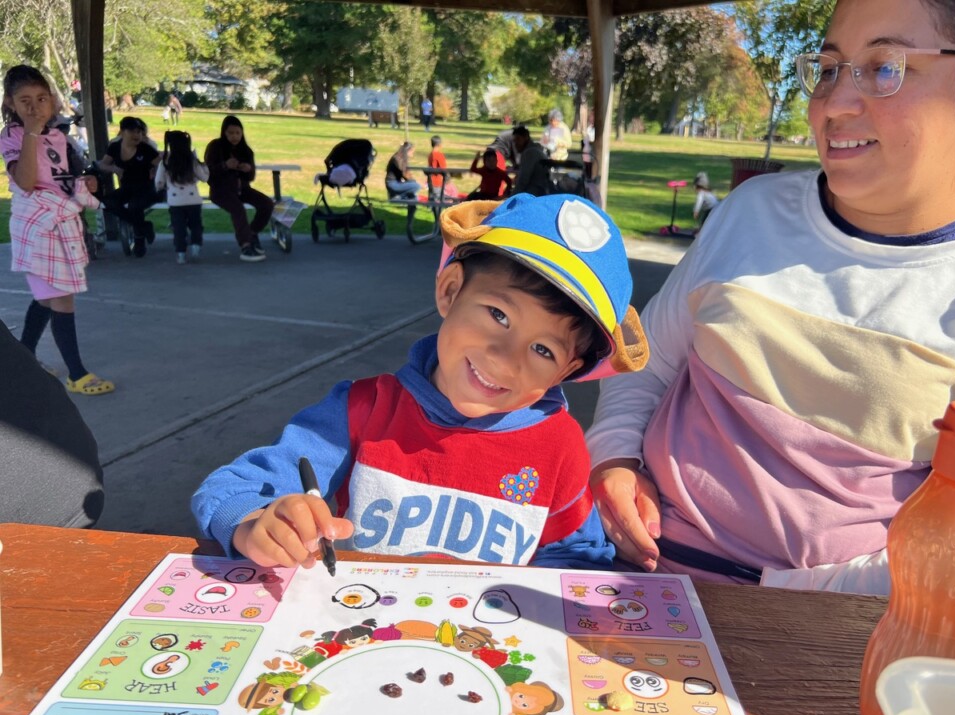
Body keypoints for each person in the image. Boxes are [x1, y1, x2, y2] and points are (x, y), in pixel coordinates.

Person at [586, 0, 955, 594]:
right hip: (638, 573)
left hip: (843, 623)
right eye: (827, 67)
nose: (834, 104)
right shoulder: (752, 211)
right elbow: (644, 361)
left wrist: (784, 601)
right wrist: (615, 458)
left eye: (885, 66)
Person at [191, 193, 650, 569]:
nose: (506, 360)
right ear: (450, 290)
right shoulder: (362, 410)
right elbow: (230, 487)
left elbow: (576, 558)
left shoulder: (559, 447)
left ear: (569, 370)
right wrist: (255, 523)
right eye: (498, 315)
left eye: (544, 350)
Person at [1, 65, 114, 396]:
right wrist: (31, 133)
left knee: (47, 297)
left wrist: (86, 183)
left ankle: (23, 358)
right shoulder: (12, 136)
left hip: (61, 226)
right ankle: (77, 374)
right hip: (37, 229)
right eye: (25, 101)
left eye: (41, 99)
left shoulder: (59, 138)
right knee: (61, 298)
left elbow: (63, 180)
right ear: (10, 103)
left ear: (51, 101)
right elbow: (24, 181)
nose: (34, 108)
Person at [0, 319, 104, 526]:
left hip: (32, 521)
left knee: (56, 303)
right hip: (78, 487)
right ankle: (75, 370)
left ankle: (76, 371)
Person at [204, 115, 275, 263]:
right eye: (230, 133)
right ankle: (246, 245)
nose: (234, 136)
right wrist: (224, 166)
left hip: (242, 188)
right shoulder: (215, 147)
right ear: (224, 132)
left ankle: (252, 232)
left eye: (238, 133)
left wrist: (247, 169)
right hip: (220, 191)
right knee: (238, 209)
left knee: (267, 204)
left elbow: (251, 177)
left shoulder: (246, 150)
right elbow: (206, 173)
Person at [97, 115, 162, 257]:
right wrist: (114, 169)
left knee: (134, 206)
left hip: (146, 188)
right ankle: (144, 226)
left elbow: (161, 162)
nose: (137, 135)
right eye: (132, 131)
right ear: (123, 132)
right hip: (127, 187)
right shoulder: (114, 147)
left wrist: (155, 172)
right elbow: (102, 164)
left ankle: (139, 240)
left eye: (139, 132)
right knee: (108, 202)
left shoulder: (145, 148)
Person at [155, 130, 208, 265]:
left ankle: (181, 254)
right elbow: (204, 177)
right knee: (196, 225)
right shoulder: (192, 161)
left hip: (175, 202)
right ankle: (196, 247)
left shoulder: (166, 162)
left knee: (179, 228)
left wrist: (160, 188)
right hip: (194, 200)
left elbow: (159, 182)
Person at [511, 126, 550, 197]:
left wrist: (511, 198)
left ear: (526, 138)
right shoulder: (536, 149)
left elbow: (523, 181)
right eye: (514, 141)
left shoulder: (530, 153)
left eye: (518, 139)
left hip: (535, 192)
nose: (516, 144)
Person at [426, 135, 458, 200]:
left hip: (430, 179)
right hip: (437, 180)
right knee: (438, 198)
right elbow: (443, 168)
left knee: (433, 197)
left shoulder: (430, 154)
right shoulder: (439, 155)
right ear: (439, 144)